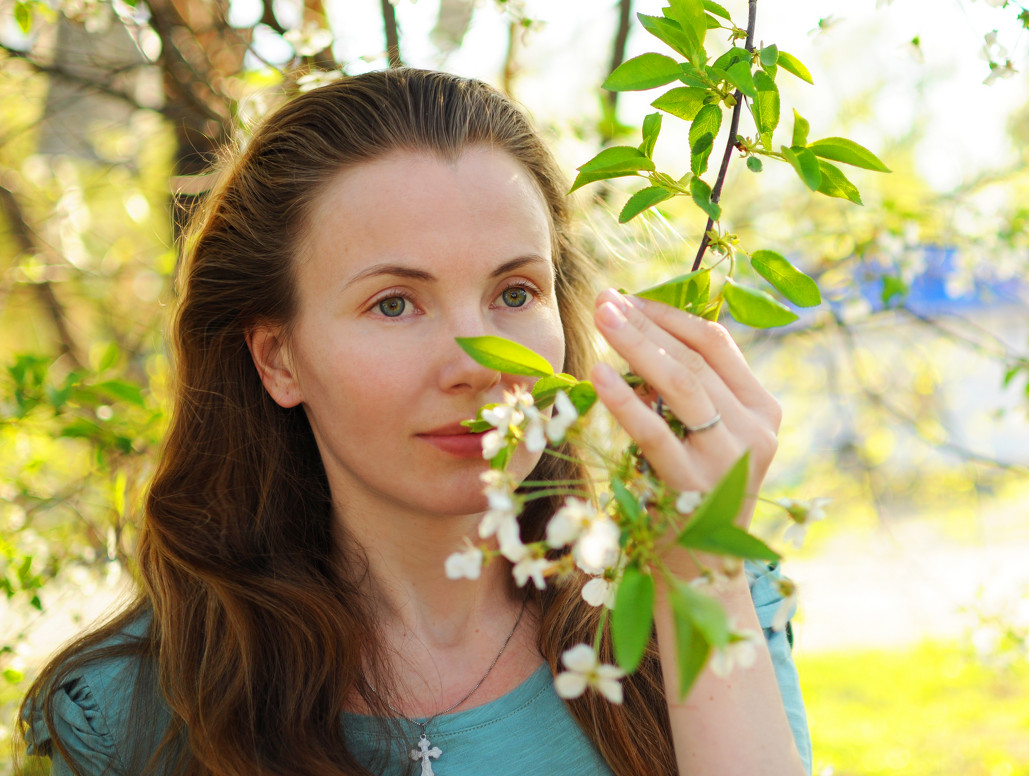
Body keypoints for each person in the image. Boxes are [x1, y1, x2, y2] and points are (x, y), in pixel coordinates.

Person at [18, 68, 811, 776]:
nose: (477, 361)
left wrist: (701, 577)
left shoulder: (700, 604)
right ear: (278, 359)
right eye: (394, 303)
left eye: (514, 294)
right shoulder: (121, 716)